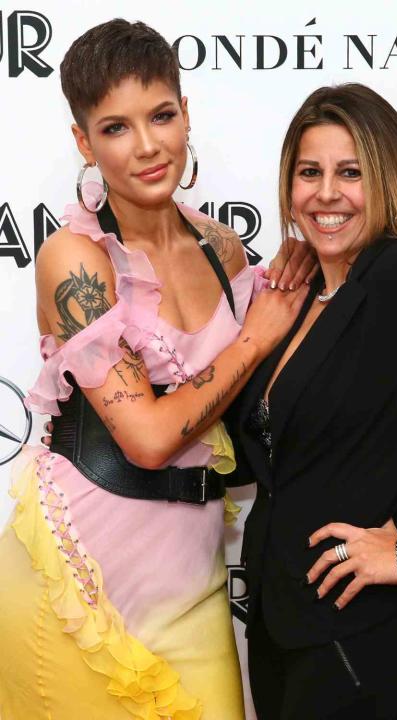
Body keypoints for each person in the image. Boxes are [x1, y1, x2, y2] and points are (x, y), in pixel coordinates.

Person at [0, 20, 310, 719]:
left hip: (192, 580)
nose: (147, 146)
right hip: (79, 582)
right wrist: (252, 341)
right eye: (115, 127)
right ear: (84, 142)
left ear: (186, 113)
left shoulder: (222, 250)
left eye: (162, 115)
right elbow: (145, 437)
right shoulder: (75, 260)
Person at [228, 83, 397, 720]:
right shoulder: (299, 293)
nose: (327, 193)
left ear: (387, 179)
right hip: (282, 625)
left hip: (361, 638)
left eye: (351, 172)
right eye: (310, 172)